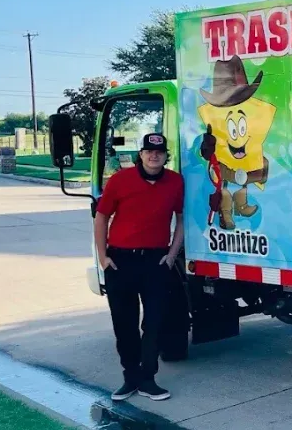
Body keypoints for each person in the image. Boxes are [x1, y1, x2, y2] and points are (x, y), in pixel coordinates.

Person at [94, 132, 185, 402]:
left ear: (165, 155)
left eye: (159, 152)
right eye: (148, 151)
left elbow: (180, 220)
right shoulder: (120, 181)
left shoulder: (175, 182)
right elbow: (101, 217)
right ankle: (130, 377)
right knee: (125, 324)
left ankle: (148, 379)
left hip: (155, 261)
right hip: (120, 261)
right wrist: (102, 257)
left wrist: (171, 255)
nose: (154, 155)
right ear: (141, 155)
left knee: (155, 322)